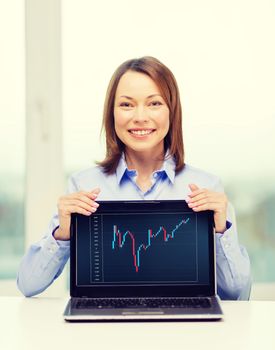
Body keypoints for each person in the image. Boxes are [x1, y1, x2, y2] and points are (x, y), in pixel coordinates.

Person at [17, 56, 251, 299]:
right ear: (112, 114)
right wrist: (63, 233)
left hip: (183, 329)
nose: (140, 117)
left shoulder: (207, 187)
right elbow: (28, 284)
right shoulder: (84, 185)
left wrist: (220, 229)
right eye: (127, 105)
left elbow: (237, 293)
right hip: (105, 328)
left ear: (172, 111)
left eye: (154, 103)